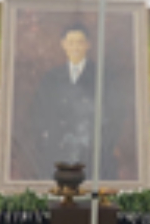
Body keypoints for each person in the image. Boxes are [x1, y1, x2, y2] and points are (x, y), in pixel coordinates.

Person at [29, 23, 128, 180]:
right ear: (63, 44)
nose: (75, 47)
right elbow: (39, 113)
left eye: (80, 42)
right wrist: (48, 139)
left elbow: (115, 115)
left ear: (88, 45)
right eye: (71, 42)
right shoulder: (51, 78)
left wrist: (103, 144)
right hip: (57, 155)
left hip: (92, 155)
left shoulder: (103, 77)